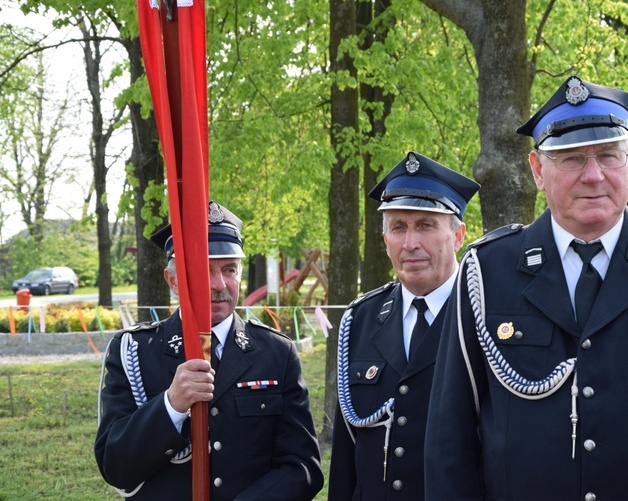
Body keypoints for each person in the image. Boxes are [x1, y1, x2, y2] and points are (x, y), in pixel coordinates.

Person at [424, 76, 628, 501]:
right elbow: (450, 436)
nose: (593, 176)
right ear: (538, 170)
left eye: (609, 156)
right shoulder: (487, 270)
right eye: (571, 158)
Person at [95, 201, 323, 500]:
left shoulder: (276, 353)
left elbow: (303, 466)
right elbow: (116, 467)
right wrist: (171, 405)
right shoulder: (135, 352)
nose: (219, 284)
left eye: (230, 269)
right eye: (205, 270)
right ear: (173, 280)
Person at [328, 151, 480, 500]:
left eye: (425, 225)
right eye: (398, 228)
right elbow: (346, 453)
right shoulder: (361, 320)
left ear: (458, 236)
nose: (410, 244)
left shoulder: (484, 313)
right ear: (385, 241)